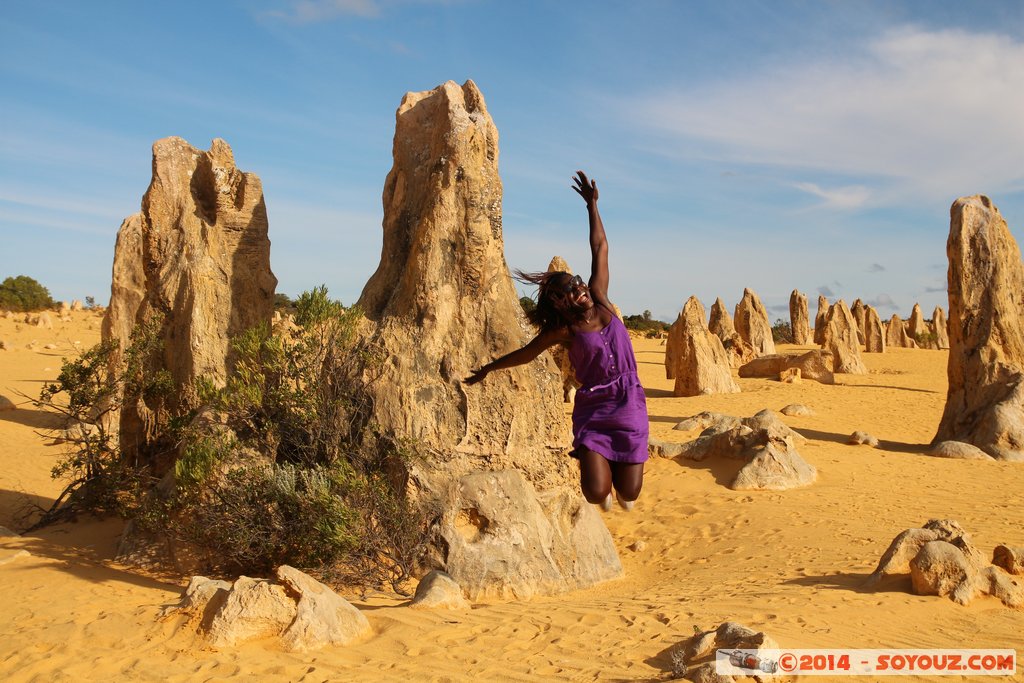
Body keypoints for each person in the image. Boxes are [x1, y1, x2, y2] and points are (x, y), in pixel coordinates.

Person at [464, 170, 649, 511]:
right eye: (571, 290)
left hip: (630, 404)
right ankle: (599, 475)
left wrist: (592, 206)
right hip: (596, 407)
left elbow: (600, 247)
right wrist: (489, 368)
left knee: (631, 493)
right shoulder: (564, 332)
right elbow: (526, 354)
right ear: (560, 304)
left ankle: (618, 482)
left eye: (577, 282)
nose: (580, 288)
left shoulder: (602, 299)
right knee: (596, 493)